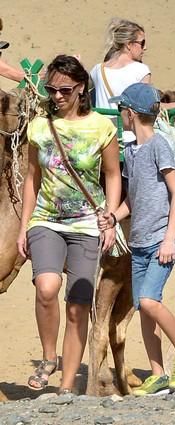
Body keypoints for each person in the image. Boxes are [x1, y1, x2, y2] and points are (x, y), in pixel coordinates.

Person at [16, 55, 121, 393]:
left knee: (78, 305)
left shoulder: (102, 127)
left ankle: (66, 387)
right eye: (51, 90)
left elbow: (112, 174)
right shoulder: (39, 127)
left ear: (81, 89)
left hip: (87, 224)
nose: (57, 96)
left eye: (64, 90)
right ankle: (49, 357)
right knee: (46, 287)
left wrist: (110, 219)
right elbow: (32, 177)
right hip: (46, 219)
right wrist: (24, 226)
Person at [99, 82, 175, 395]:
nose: (120, 114)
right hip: (140, 241)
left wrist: (170, 238)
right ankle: (157, 374)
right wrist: (114, 215)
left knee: (148, 300)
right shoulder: (130, 151)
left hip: (161, 238)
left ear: (130, 113)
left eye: (121, 109)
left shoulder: (159, 146)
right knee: (143, 307)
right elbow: (133, 197)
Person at [89, 18, 175, 140]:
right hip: (129, 138)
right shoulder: (141, 70)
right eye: (142, 43)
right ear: (129, 45)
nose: (145, 48)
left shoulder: (97, 69)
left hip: (102, 136)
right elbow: (149, 107)